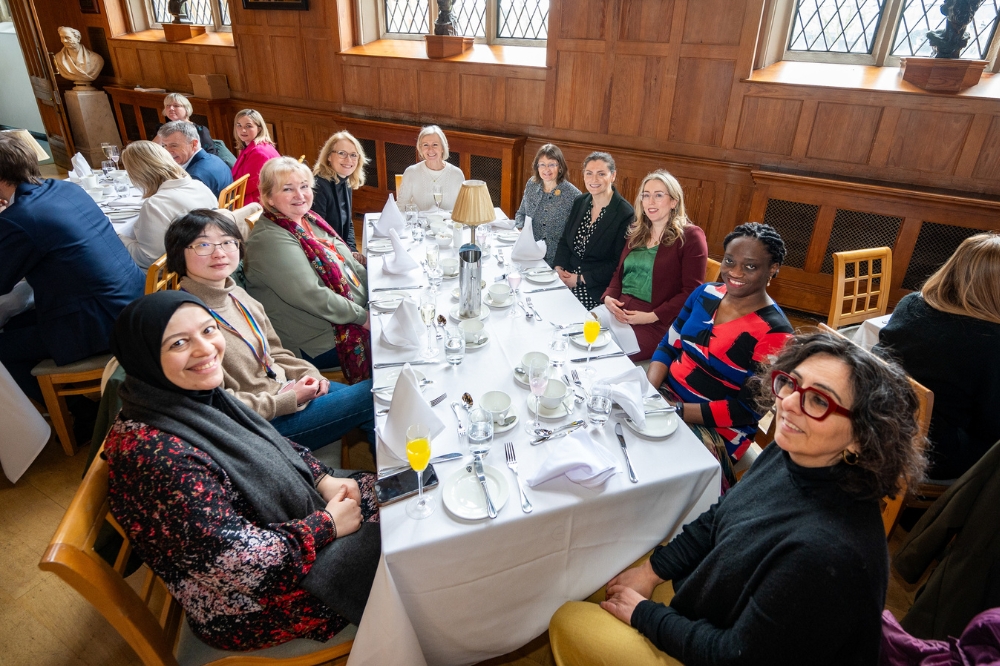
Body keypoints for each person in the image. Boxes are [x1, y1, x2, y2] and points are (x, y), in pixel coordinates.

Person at [550, 332, 929, 666]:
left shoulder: (828, 552)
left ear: (862, 435)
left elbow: (735, 655)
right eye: (791, 384)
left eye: (819, 401)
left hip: (728, 650)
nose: (790, 404)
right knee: (596, 566)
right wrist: (652, 572)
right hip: (718, 612)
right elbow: (721, 518)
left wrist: (645, 615)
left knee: (567, 618)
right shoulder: (792, 453)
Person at [103, 291, 380, 651]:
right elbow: (239, 567)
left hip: (284, 531)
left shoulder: (190, 396)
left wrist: (322, 478)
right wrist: (326, 525)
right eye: (179, 343)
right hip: (259, 605)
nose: (205, 349)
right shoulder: (155, 459)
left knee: (401, 492)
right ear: (145, 357)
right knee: (411, 542)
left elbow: (271, 443)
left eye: (208, 330)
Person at [165, 208, 376, 451]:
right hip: (257, 427)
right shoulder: (185, 321)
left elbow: (275, 351)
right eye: (203, 245)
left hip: (284, 393)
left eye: (227, 242)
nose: (219, 253)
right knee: (376, 395)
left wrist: (310, 374)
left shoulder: (235, 293)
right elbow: (214, 405)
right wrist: (286, 400)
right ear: (179, 253)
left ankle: (398, 478)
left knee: (379, 404)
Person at [0, 132, 144, 405]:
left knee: (3, 347)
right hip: (128, 300)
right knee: (15, 321)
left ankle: (79, 415)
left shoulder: (20, 218)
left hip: (99, 323)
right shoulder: (65, 188)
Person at [647, 222, 793, 489]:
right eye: (729, 261)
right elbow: (668, 346)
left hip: (718, 430)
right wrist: (647, 393)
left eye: (750, 266)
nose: (735, 272)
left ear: (772, 269)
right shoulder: (705, 294)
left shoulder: (776, 333)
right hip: (665, 399)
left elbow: (747, 410)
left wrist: (675, 411)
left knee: (648, 472)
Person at [873, 233, 1000, 481]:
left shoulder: (910, 304)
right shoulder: (990, 341)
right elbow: (991, 426)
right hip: (933, 454)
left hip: (877, 425)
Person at [244, 157, 371, 384]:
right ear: (268, 196)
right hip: (318, 339)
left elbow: (349, 261)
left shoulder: (308, 219)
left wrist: (373, 288)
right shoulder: (269, 240)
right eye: (288, 189)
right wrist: (364, 317)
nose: (300, 195)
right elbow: (312, 295)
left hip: (344, 314)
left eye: (304, 186)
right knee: (400, 344)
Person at [602, 170, 707, 362]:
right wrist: (609, 297)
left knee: (604, 355)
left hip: (657, 322)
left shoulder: (691, 237)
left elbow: (692, 292)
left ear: (674, 201)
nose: (650, 202)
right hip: (618, 310)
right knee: (578, 337)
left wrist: (651, 316)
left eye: (659, 195)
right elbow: (620, 272)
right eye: (646, 195)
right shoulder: (637, 231)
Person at [554, 152, 635, 309]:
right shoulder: (580, 201)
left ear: (613, 176)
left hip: (594, 287)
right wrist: (558, 268)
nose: (594, 179)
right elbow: (565, 240)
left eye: (601, 174)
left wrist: (579, 279)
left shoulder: (625, 213)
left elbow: (617, 263)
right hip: (565, 277)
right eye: (589, 173)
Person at [119, 140, 217, 270]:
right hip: (207, 258)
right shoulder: (199, 185)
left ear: (138, 174)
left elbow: (149, 259)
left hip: (177, 274)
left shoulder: (155, 204)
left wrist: (119, 238)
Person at [514, 144, 581, 267]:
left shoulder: (573, 195)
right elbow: (521, 214)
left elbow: (577, 236)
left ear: (560, 167)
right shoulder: (531, 184)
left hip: (556, 260)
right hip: (528, 254)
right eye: (542, 164)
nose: (546, 169)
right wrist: (522, 231)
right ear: (537, 166)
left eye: (551, 164)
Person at [312, 130, 368, 252]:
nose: (349, 159)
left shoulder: (345, 181)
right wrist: (347, 256)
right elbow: (318, 233)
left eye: (353, 155)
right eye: (342, 153)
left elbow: (348, 223)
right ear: (329, 156)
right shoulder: (319, 186)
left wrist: (353, 250)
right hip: (328, 253)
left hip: (341, 250)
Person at [155, 120, 232, 198]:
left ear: (194, 144)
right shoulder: (214, 158)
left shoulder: (193, 178)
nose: (167, 151)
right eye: (164, 146)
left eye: (174, 145)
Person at [396, 125, 465, 212]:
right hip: (419, 225)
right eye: (425, 145)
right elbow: (401, 207)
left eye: (435, 145)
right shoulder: (411, 172)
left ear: (443, 148)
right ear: (420, 148)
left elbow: (463, 210)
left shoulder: (457, 174)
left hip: (447, 225)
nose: (430, 149)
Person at [231, 109, 280, 205]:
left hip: (256, 203)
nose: (243, 130)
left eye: (248, 126)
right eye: (239, 125)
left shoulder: (259, 152)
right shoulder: (252, 146)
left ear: (259, 128)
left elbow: (246, 186)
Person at [161, 92, 218, 157]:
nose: (171, 108)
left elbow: (211, 154)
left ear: (186, 109)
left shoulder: (200, 130)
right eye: (167, 105)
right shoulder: (164, 129)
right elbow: (153, 152)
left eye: (176, 105)